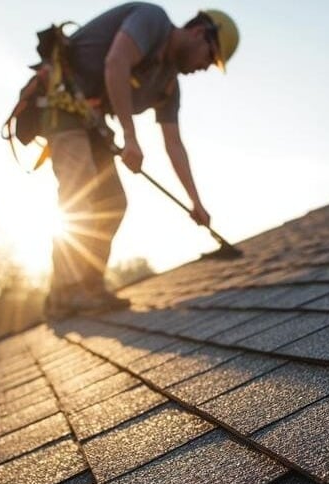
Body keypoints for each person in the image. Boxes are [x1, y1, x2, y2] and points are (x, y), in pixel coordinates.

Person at [43, 4, 239, 318]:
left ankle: (89, 287)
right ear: (199, 33)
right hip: (62, 106)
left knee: (112, 202)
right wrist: (130, 137)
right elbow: (116, 63)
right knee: (80, 193)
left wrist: (196, 202)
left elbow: (174, 144)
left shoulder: (168, 84)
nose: (205, 67)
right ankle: (64, 294)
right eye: (210, 57)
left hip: (92, 121)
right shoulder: (153, 20)